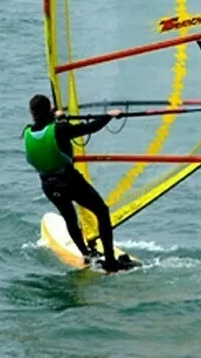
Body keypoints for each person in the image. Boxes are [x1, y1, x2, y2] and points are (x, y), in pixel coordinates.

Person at [23, 94, 134, 272]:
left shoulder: (27, 132)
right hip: (69, 181)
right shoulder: (60, 129)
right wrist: (109, 115)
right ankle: (111, 261)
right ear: (49, 110)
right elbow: (89, 127)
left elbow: (48, 129)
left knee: (70, 218)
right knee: (102, 211)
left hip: (49, 185)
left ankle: (87, 255)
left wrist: (56, 117)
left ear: (32, 113)